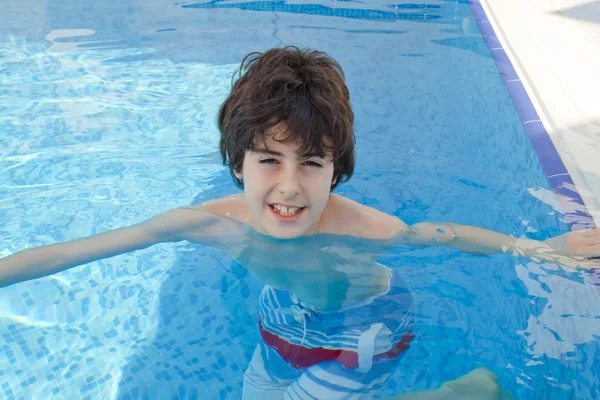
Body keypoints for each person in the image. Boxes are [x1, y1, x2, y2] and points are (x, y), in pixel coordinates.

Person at [1, 46, 599, 400]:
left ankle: (460, 392)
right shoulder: (207, 223)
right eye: (269, 160)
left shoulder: (361, 228)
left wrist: (540, 248)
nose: (289, 186)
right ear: (238, 163)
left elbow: (440, 235)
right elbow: (84, 250)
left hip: (364, 329)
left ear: (335, 169)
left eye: (311, 163)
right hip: (282, 317)